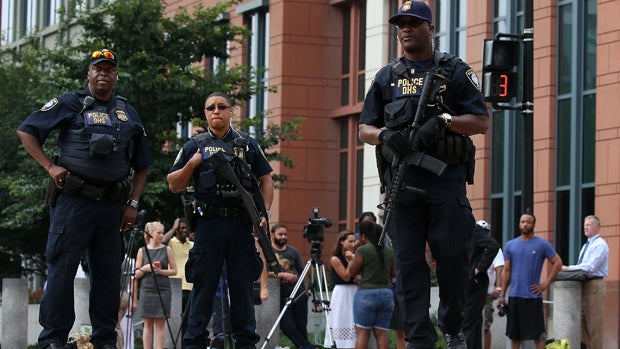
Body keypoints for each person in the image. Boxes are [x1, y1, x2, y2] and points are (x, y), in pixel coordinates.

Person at [357, 2, 489, 348]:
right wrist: (385, 135)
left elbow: (481, 122)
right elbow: (364, 128)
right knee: (409, 266)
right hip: (403, 184)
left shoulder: (455, 71)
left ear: (430, 28)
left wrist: (444, 121)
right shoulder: (387, 77)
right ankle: (419, 339)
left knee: (455, 261)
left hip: (445, 182)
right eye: (400, 24)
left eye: (413, 23)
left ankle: (452, 324)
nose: (405, 29)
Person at [16, 48, 152, 349]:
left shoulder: (128, 112)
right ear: (89, 73)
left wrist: (132, 203)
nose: (103, 73)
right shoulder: (70, 103)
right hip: (74, 202)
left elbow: (143, 165)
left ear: (116, 75)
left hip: (113, 207)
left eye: (109, 69)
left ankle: (104, 339)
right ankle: (52, 339)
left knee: (107, 275)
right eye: (98, 68)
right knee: (62, 269)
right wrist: (50, 167)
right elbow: (27, 131)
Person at [167, 91, 273, 349]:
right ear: (205, 113)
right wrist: (192, 164)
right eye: (211, 107)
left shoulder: (247, 144)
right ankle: (194, 343)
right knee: (203, 288)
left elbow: (266, 179)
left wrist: (264, 214)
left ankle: (245, 344)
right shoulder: (194, 145)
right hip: (208, 226)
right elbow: (173, 184)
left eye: (222, 106)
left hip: (240, 224)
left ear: (231, 111)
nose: (216, 111)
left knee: (242, 290)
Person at [498, 212, 563, 349]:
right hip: (515, 296)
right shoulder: (510, 245)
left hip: (533, 297)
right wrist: (502, 294)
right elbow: (507, 271)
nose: (525, 224)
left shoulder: (542, 244)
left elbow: (558, 263)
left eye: (528, 221)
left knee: (538, 335)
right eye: (522, 221)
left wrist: (545, 284)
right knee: (515, 336)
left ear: (533, 225)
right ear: (519, 224)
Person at [560, 215, 608, 349]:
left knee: (594, 326)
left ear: (597, 227)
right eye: (585, 225)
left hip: (594, 285)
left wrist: (569, 268)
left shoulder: (600, 245)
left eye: (589, 225)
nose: (585, 227)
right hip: (584, 285)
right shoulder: (587, 245)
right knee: (581, 322)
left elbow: (590, 267)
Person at [347, 221, 395, 349]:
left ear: (363, 236)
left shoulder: (363, 250)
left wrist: (353, 252)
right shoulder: (389, 250)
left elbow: (352, 272)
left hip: (366, 294)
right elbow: (394, 273)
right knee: (382, 334)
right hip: (386, 294)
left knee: (363, 333)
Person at [269, 223, 317, 349]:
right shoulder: (268, 252)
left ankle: (303, 346)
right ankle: (308, 347)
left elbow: (303, 271)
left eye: (285, 234)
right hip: (279, 296)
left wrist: (306, 290)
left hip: (298, 293)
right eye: (280, 234)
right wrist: (282, 275)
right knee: (287, 326)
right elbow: (265, 273)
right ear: (272, 235)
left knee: (301, 324)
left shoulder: (293, 251)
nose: (283, 237)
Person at [132, 221, 177, 349]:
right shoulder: (142, 251)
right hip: (147, 288)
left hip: (163, 288)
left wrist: (160, 271)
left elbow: (174, 271)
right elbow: (135, 274)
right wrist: (146, 268)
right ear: (150, 233)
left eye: (162, 232)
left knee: (160, 322)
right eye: (159, 233)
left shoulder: (166, 249)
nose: (162, 235)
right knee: (147, 322)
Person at [463, 220, 499, 349]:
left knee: (469, 323)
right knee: (472, 323)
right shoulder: (461, 232)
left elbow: (493, 245)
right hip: (466, 282)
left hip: (474, 283)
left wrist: (478, 269)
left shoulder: (474, 231)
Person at [323, 230, 358, 348]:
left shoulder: (355, 256)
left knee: (353, 319)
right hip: (342, 292)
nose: (353, 244)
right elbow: (346, 276)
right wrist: (350, 261)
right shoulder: (335, 259)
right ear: (342, 242)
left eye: (354, 241)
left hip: (354, 291)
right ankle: (341, 344)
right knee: (341, 318)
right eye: (350, 241)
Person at [162, 217, 194, 346]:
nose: (184, 230)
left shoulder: (192, 244)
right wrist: (173, 228)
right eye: (181, 228)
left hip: (189, 287)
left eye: (186, 228)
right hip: (174, 287)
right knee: (174, 321)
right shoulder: (171, 243)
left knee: (188, 321)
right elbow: (162, 242)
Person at [483, 247, 504, 349]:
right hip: (468, 293)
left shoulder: (494, 248)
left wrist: (499, 290)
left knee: (485, 327)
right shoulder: (469, 244)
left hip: (486, 294)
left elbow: (499, 270)